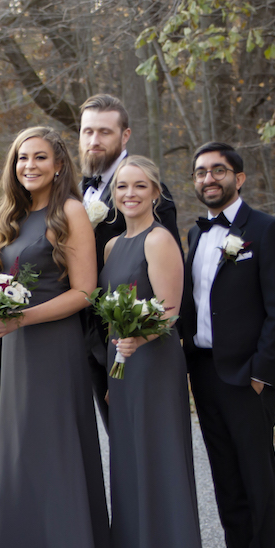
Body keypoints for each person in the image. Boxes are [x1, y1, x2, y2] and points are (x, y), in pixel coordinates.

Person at [0, 126, 112, 548]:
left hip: (53, 345)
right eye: (21, 159)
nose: (29, 166)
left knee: (55, 450)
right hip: (17, 348)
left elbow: (84, 292)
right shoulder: (13, 216)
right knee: (21, 452)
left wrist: (22, 318)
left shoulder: (70, 212)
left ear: (59, 165)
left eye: (39, 158)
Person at [180, 142, 275, 548]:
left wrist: (261, 375)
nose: (209, 178)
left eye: (219, 171)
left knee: (257, 479)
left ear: (239, 178)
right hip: (204, 371)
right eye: (202, 172)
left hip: (247, 375)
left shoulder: (265, 230)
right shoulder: (195, 232)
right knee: (226, 479)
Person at [100, 157, 209, 548]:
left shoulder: (160, 240)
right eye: (122, 186)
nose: (129, 194)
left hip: (154, 362)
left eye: (139, 186)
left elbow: (170, 311)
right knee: (128, 464)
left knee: (157, 462)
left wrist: (137, 338)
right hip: (122, 363)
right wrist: (112, 370)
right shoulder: (111, 247)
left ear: (155, 193)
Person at [77, 95, 181, 423]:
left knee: (141, 433)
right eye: (87, 132)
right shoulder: (75, 191)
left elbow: (169, 277)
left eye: (105, 132)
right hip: (89, 337)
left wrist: (140, 333)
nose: (94, 141)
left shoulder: (146, 190)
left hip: (135, 339)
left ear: (125, 136)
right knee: (119, 441)